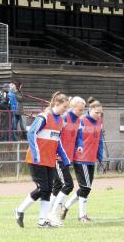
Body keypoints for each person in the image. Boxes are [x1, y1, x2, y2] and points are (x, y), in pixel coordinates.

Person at [14, 92, 70, 228]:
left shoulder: (61, 121)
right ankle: (19, 210)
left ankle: (42, 221)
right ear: (56, 104)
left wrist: (65, 158)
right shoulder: (43, 116)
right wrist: (36, 153)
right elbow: (31, 133)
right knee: (42, 188)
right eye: (64, 107)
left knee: (48, 190)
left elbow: (58, 142)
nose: (65, 110)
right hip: (36, 159)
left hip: (50, 160)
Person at [61, 97, 104, 223]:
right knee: (85, 188)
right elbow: (76, 138)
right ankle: (82, 216)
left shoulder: (99, 122)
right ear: (90, 110)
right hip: (81, 158)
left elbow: (99, 140)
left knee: (86, 187)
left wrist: (100, 155)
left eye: (100, 113)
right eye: (97, 112)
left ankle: (66, 207)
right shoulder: (82, 120)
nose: (99, 115)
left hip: (91, 159)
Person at [48, 96, 87, 226]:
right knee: (68, 185)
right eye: (80, 110)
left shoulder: (79, 121)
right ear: (72, 107)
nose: (82, 112)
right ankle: (53, 213)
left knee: (58, 186)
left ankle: (48, 213)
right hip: (58, 157)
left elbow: (79, 137)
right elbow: (56, 137)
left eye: (83, 110)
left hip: (67, 157)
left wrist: (80, 146)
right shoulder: (64, 118)